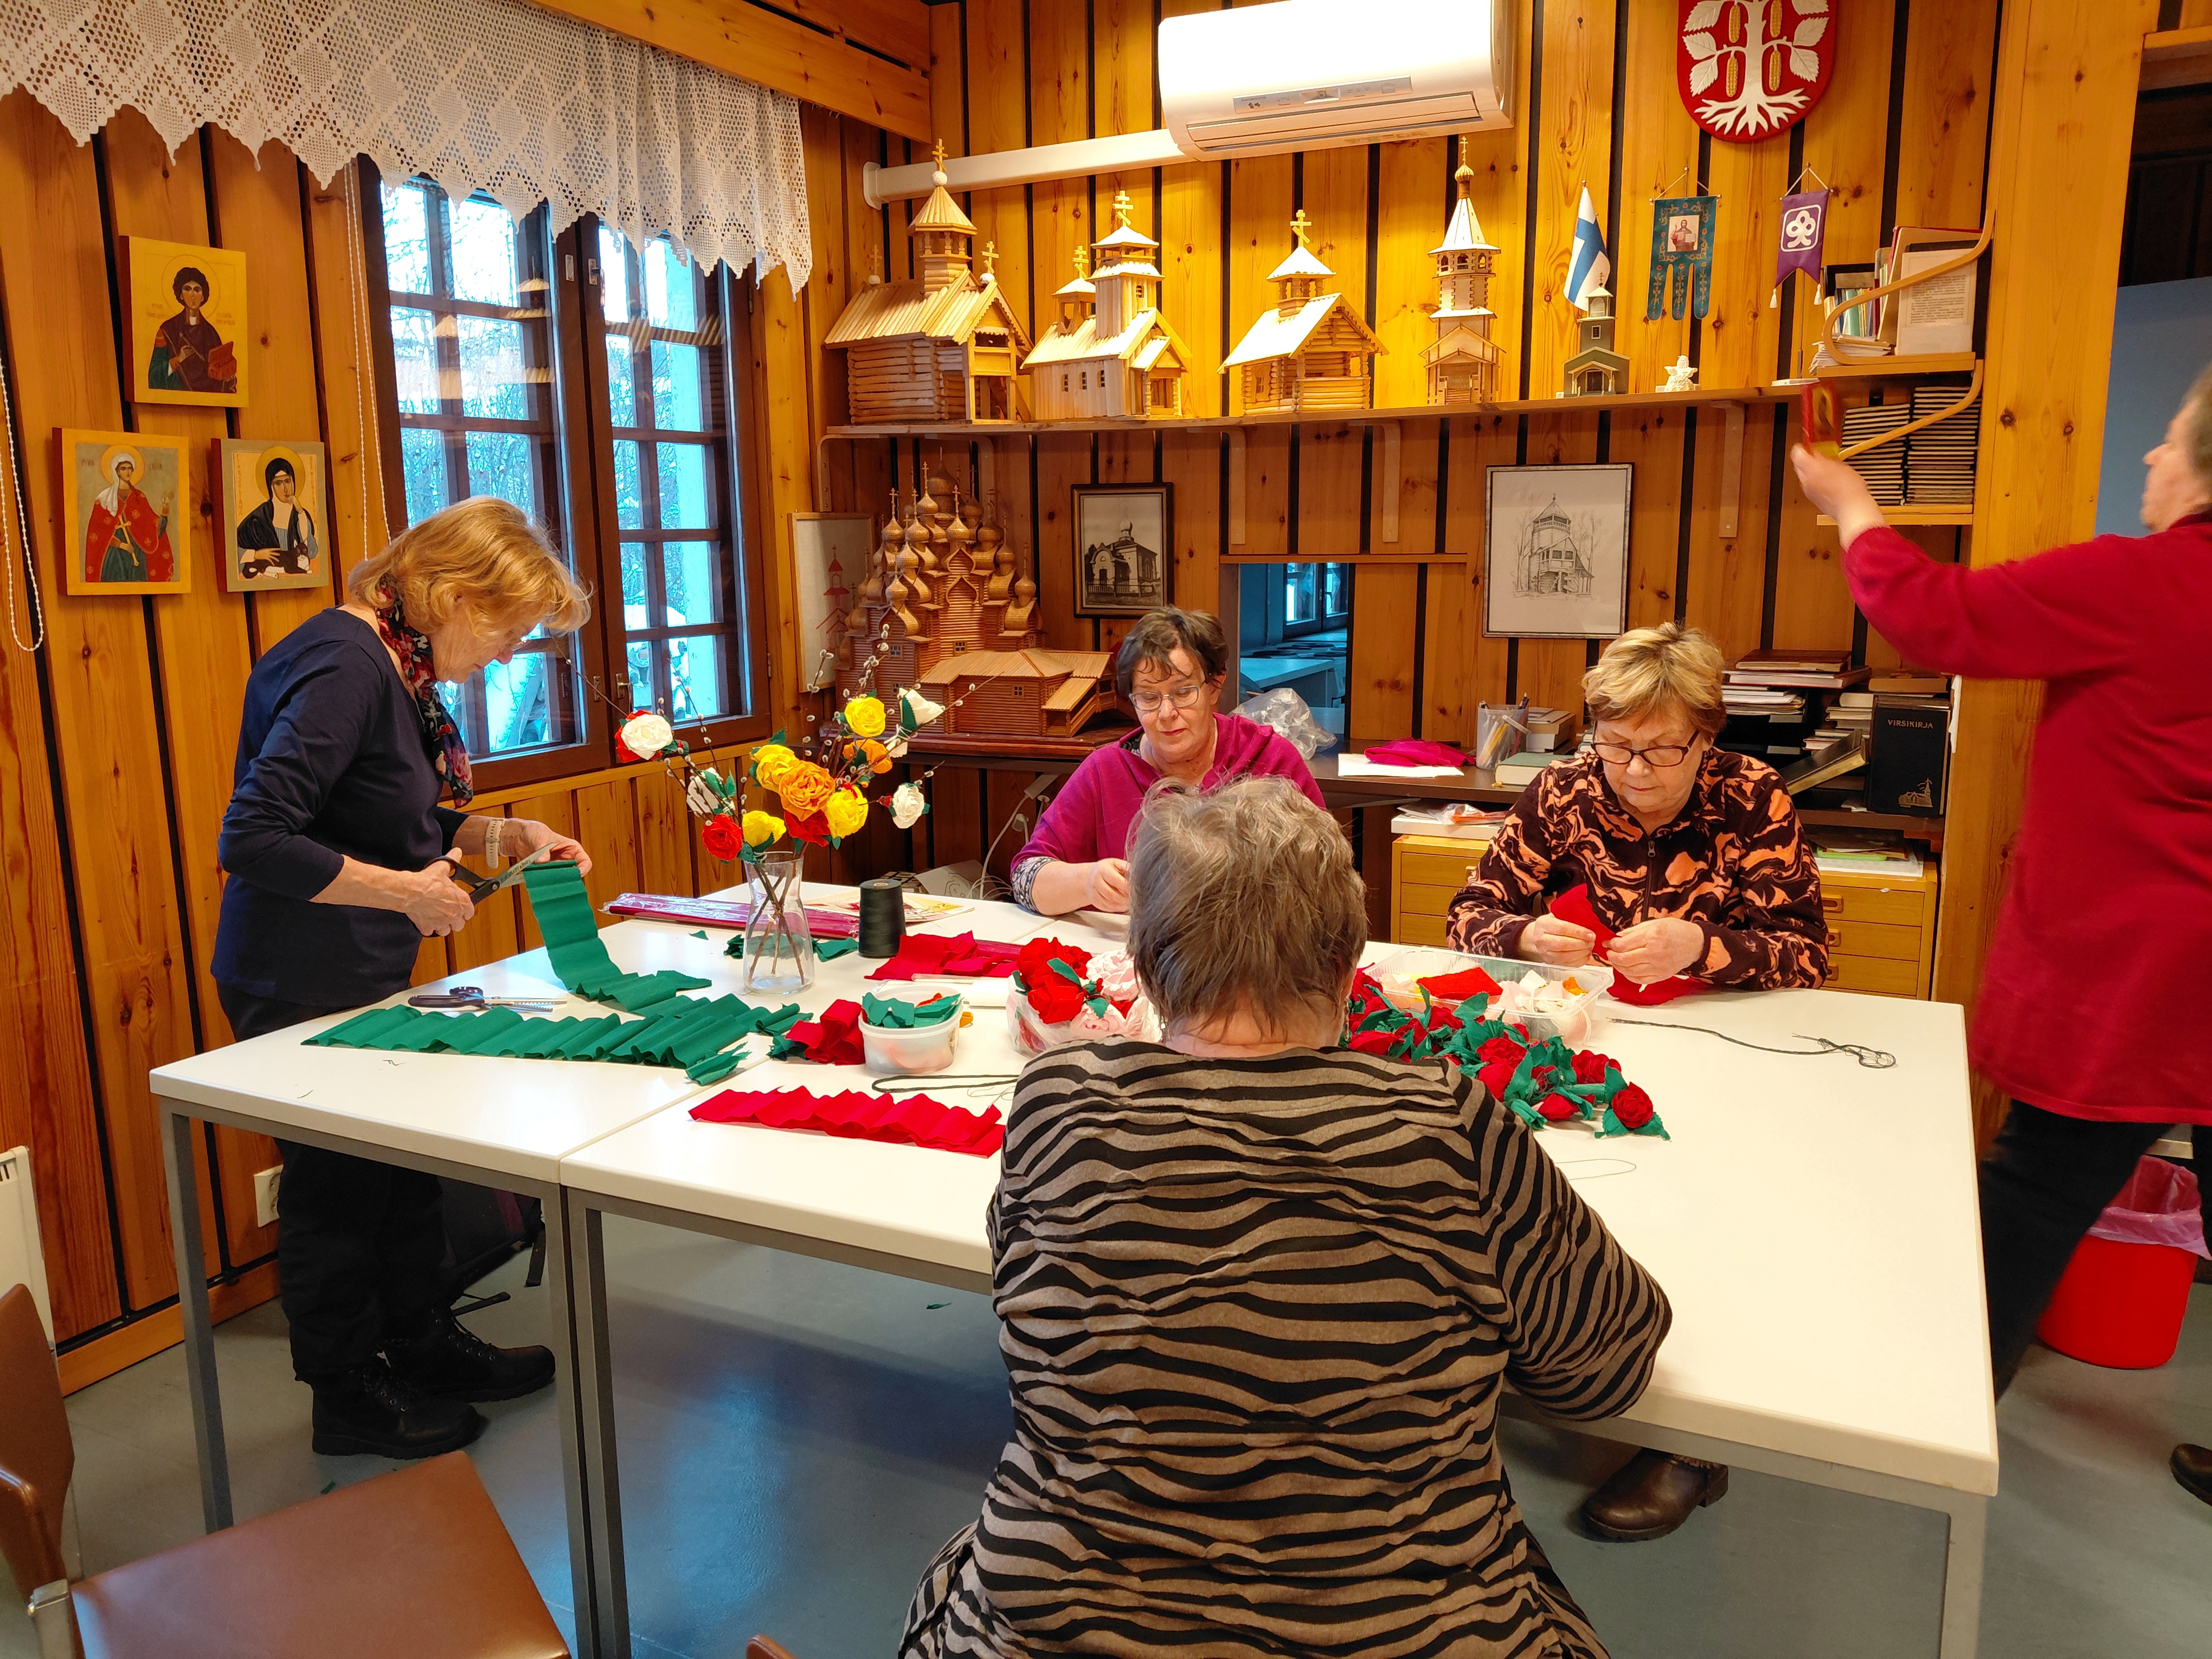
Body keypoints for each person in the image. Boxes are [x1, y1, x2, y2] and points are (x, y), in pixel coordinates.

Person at [901, 779, 1670, 1659]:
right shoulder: (1443, 1123)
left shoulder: (1057, 1105)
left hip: (1061, 1628)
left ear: (1147, 969)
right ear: (1350, 966)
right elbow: (1606, 1371)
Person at [1790, 364, 2212, 1497]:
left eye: (2168, 440)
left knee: (2025, 1201)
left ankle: (1924, 1434)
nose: (2146, 459)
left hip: (2142, 971)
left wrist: (1853, 506)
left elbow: (1938, 614)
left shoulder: (2153, 582)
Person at [213, 496, 593, 1459]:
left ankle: (420, 1344)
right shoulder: (346, 666)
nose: (509, 653)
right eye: (507, 630)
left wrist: (511, 837)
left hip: (366, 966)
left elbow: (401, 814)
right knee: (337, 1191)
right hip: (297, 975)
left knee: (402, 1173)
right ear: (454, 595)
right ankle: (344, 1392)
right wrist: (403, 895)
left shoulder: (404, 667)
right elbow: (253, 839)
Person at [1446, 621, 1827, 1541]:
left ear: (1708, 737)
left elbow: (1809, 956)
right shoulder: (1562, 790)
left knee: (1715, 1217)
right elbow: (1469, 915)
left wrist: (1707, 944)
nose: (1636, 771)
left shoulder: (1753, 798)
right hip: (1598, 1044)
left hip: (1727, 1047)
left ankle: (1695, 1440)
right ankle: (1543, 1364)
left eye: (1663, 750)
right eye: (1616, 746)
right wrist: (1523, 935)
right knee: (1557, 1202)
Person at [1011, 607, 1326, 915]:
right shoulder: (1107, 770)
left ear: (1215, 686)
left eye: (1183, 692)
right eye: (1148, 697)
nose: (1166, 713)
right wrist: (1087, 882)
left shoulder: (1267, 759)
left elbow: (1327, 874)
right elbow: (1025, 877)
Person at [83, 448, 173, 585]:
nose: (128, 472)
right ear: (117, 471)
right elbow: (97, 533)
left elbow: (156, 530)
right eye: (124, 468)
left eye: (130, 468)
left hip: (137, 555)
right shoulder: (105, 499)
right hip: (114, 555)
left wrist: (165, 508)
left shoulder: (138, 497)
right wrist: (120, 544)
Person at [149, 265, 237, 394]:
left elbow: (220, 371)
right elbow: (153, 376)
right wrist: (178, 359)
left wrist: (226, 376)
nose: (193, 295)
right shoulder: (167, 331)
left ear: (203, 296)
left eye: (197, 290)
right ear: (180, 295)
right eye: (187, 289)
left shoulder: (211, 334)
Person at [236, 452, 319, 578]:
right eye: (278, 483)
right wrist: (255, 555)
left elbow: (312, 553)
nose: (285, 489)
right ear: (271, 486)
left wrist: (301, 512)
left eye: (287, 481)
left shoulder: (301, 516)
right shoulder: (257, 520)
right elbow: (232, 551)